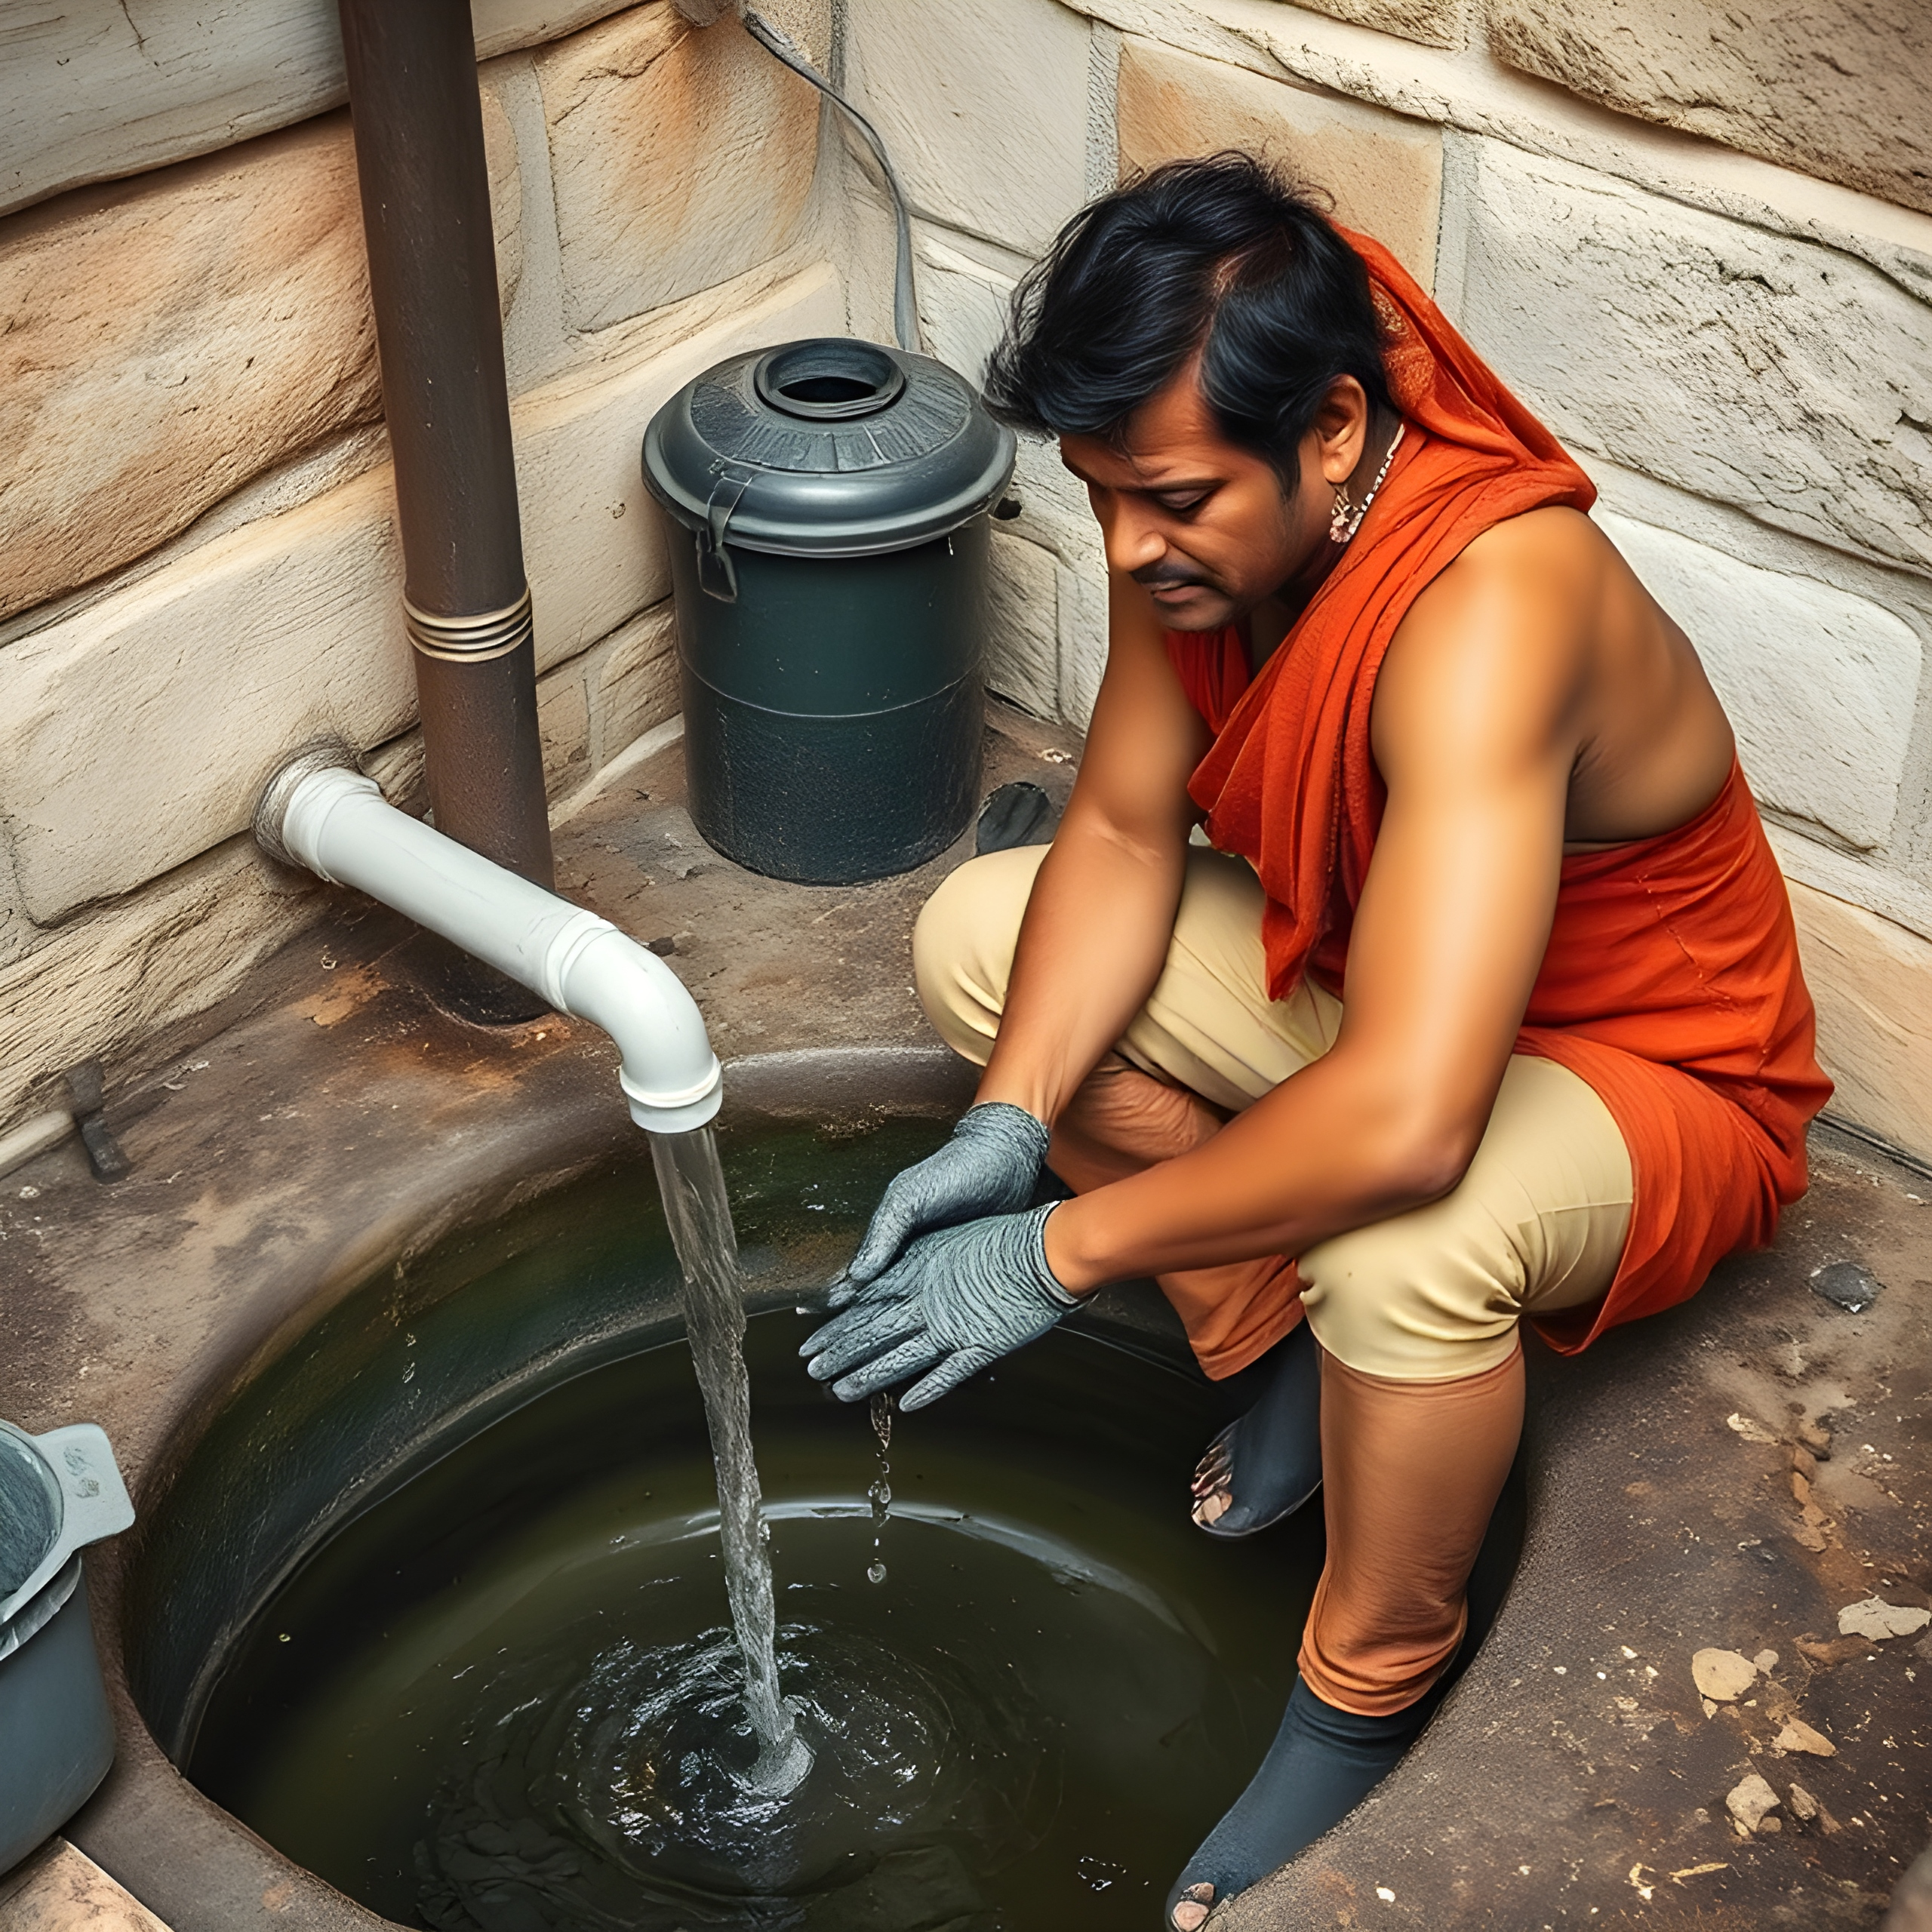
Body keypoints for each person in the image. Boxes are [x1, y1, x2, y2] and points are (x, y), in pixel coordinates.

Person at [801, 153, 1829, 1927]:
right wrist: (1002, 1125)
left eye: (1173, 498)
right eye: (1101, 496)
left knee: (1409, 1243)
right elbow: (1122, 835)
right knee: (985, 942)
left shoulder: (1493, 612)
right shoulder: (1197, 519)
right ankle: (1263, 1327)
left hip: (1648, 1076)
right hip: (1395, 986)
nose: (1129, 545)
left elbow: (1421, 1117)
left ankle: (1366, 1686)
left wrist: (1056, 1242)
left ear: (1334, 431)